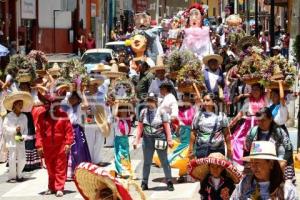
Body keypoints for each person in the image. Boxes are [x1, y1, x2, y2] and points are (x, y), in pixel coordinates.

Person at [35, 85, 74, 197]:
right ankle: (51, 187)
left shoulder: (63, 114)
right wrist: (39, 146)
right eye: (49, 103)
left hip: (60, 146)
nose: (52, 105)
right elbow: (39, 132)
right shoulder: (42, 116)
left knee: (60, 167)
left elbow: (68, 130)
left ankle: (59, 187)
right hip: (47, 147)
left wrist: (68, 143)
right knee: (50, 168)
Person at [133, 93, 174, 191]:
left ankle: (169, 181)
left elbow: (166, 126)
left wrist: (169, 139)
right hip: (147, 139)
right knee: (147, 161)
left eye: (151, 100)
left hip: (160, 137)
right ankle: (144, 182)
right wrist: (136, 140)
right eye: (148, 100)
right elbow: (140, 127)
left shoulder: (161, 112)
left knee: (164, 161)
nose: (149, 102)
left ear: (156, 101)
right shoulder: (143, 112)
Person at [231, 141, 298, 199]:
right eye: (251, 162)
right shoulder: (245, 183)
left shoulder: (286, 190)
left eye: (257, 163)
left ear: (271, 164)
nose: (253, 167)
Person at [244, 107, 294, 183]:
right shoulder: (252, 132)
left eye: (263, 120)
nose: (260, 123)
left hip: (276, 164)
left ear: (270, 119)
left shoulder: (279, 132)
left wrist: (283, 162)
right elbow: (247, 149)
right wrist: (247, 164)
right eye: (258, 121)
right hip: (258, 164)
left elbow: (288, 149)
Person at [229, 83, 267, 169]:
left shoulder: (265, 98)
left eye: (257, 89)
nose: (255, 91)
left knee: (258, 144)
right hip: (247, 125)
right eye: (253, 89)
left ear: (261, 91)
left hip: (260, 124)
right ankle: (239, 164)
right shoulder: (248, 100)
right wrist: (232, 122)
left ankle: (259, 165)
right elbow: (241, 113)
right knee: (237, 141)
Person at [189, 92, 231, 159]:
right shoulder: (198, 115)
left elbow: (227, 134)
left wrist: (229, 149)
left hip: (218, 150)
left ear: (214, 102)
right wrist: (191, 148)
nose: (205, 103)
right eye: (204, 100)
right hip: (202, 149)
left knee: (216, 169)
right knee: (202, 169)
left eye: (208, 100)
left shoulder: (221, 116)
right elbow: (193, 132)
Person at [3, 91, 33, 182]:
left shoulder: (24, 117)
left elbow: (26, 130)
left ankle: (19, 174)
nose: (21, 106)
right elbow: (5, 129)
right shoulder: (8, 116)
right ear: (14, 105)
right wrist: (14, 130)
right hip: (11, 141)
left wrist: (23, 137)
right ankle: (12, 177)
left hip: (20, 141)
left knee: (23, 158)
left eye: (22, 104)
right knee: (12, 159)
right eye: (19, 104)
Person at [65, 90, 91, 180]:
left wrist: (82, 92)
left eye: (74, 97)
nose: (72, 99)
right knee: (69, 151)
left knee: (79, 150)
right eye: (71, 98)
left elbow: (87, 106)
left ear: (78, 99)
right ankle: (70, 172)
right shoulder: (68, 109)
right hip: (69, 130)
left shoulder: (80, 107)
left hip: (77, 130)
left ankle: (80, 170)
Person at [112, 104, 133, 178]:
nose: (124, 112)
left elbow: (133, 112)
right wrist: (117, 105)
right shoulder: (117, 119)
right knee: (120, 155)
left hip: (125, 139)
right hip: (119, 140)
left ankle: (126, 169)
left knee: (126, 155)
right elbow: (114, 114)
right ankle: (121, 171)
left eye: (125, 110)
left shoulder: (128, 119)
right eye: (122, 110)